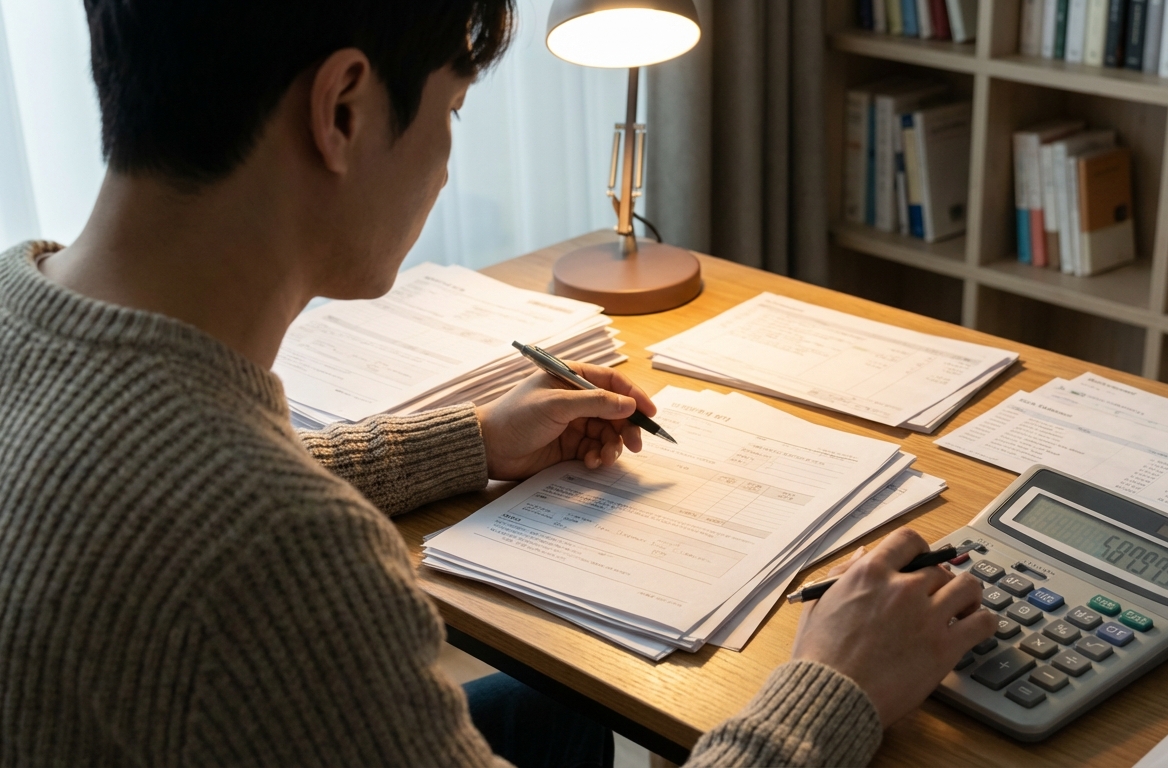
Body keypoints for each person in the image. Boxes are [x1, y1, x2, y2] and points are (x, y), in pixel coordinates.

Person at [0, 1, 996, 766]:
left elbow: (164, 479)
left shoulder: (21, 303)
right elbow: (231, 524)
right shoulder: (278, 556)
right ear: (343, 108)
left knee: (555, 714)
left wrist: (471, 440)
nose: (441, 164)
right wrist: (830, 687)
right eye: (453, 110)